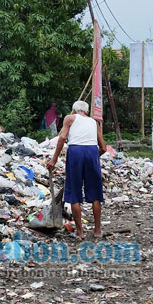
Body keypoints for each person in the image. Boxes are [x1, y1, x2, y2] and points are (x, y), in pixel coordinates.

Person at [46, 101, 106, 239]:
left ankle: (80, 232)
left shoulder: (70, 118)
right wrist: (93, 158)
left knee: (74, 192)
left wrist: (53, 160)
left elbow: (62, 137)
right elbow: (103, 147)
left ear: (74, 110)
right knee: (96, 193)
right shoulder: (94, 122)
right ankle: (97, 231)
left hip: (75, 152)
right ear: (86, 111)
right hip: (92, 151)